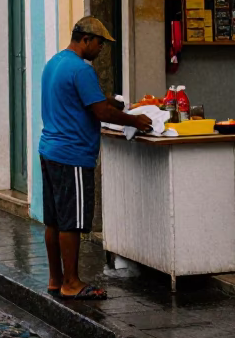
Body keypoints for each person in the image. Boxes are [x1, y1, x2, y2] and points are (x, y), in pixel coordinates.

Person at [39, 17, 152, 301]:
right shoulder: (81, 69)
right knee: (72, 222)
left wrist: (113, 103)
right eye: (100, 43)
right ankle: (72, 282)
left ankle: (55, 279)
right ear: (86, 39)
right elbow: (101, 113)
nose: (102, 49)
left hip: (50, 150)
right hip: (72, 154)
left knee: (53, 221)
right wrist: (135, 120)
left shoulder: (55, 63)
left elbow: (88, 102)